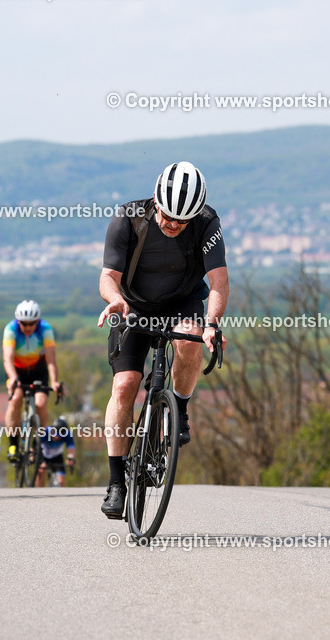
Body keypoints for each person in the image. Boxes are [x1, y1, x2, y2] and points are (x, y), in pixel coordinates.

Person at [96, 161, 229, 519]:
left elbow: (218, 281)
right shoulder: (127, 218)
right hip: (133, 305)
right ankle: (116, 481)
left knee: (190, 339)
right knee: (125, 386)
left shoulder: (207, 223)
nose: (173, 225)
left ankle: (179, 410)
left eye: (181, 221)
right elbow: (108, 276)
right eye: (168, 217)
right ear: (156, 200)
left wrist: (212, 324)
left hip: (182, 302)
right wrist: (115, 300)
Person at [3, 299, 61, 464]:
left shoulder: (45, 329)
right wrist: (13, 378)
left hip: (38, 371)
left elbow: (51, 359)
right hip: (18, 372)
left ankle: (39, 440)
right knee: (15, 399)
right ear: (18, 321)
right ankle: (13, 445)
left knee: (41, 403)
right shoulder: (11, 329)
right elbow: (7, 359)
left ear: (37, 321)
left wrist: (55, 381)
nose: (28, 328)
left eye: (31, 324)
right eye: (24, 324)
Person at [37, 416, 75, 487]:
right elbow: (35, 446)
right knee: (41, 471)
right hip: (43, 455)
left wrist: (71, 458)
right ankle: (39, 491)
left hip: (57, 456)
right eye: (55, 434)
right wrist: (34, 457)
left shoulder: (68, 434)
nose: (57, 437)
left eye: (60, 435)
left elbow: (71, 449)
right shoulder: (45, 431)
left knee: (61, 481)